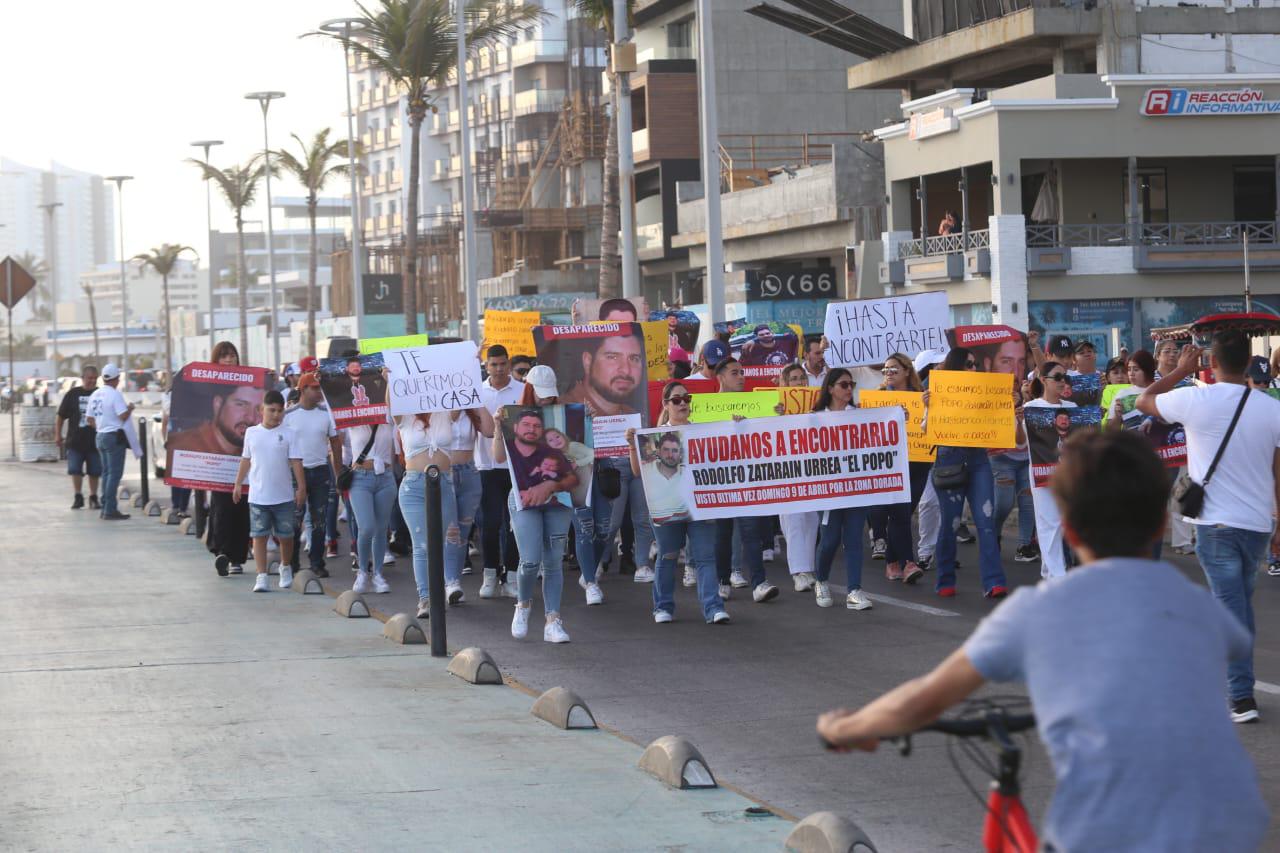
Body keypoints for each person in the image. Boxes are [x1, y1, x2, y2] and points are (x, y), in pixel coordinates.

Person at [816, 430, 1269, 853]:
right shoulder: (1197, 606)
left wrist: (849, 728)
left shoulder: (1039, 612)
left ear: (1068, 530)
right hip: (1233, 825)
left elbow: (920, 701)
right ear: (1159, 527)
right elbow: (1216, 647)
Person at [1137, 331, 1280, 723]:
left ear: (1210, 364)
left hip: (1216, 525)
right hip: (1255, 525)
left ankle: (1240, 696)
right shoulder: (1270, 408)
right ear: (1249, 364)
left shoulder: (1195, 397)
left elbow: (1142, 401)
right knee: (1236, 605)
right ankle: (1239, 687)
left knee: (1231, 608)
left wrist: (1179, 371)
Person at [627, 387, 730, 624]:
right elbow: (636, 472)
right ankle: (662, 607)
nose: (683, 403)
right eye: (677, 400)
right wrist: (633, 446)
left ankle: (713, 608)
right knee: (668, 555)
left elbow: (724, 456)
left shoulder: (702, 431)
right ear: (665, 404)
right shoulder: (653, 436)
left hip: (700, 505)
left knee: (705, 557)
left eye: (687, 398)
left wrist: (738, 426)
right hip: (666, 507)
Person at [925, 348, 1009, 598]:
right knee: (950, 523)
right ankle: (945, 579)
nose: (974, 368)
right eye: (969, 364)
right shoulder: (938, 390)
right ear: (956, 366)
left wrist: (1007, 402)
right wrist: (929, 407)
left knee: (985, 521)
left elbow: (997, 422)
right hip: (949, 459)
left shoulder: (984, 390)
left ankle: (994, 582)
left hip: (979, 459)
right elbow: (924, 428)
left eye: (975, 364)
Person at [493, 409, 577, 643]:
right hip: (523, 501)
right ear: (518, 427)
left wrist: (588, 418)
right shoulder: (514, 445)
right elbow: (499, 457)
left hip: (559, 502)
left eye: (536, 426)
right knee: (530, 560)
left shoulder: (553, 446)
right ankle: (523, 604)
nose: (531, 429)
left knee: (553, 562)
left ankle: (553, 620)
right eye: (526, 425)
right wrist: (499, 426)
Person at [805, 368, 874, 610]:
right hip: (828, 491)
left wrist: (899, 417)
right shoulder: (814, 417)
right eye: (844, 385)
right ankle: (821, 580)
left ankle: (854, 590)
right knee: (830, 539)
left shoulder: (859, 415)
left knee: (854, 538)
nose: (848, 389)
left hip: (855, 487)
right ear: (831, 388)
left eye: (851, 385)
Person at [232, 390, 306, 592]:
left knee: (286, 536)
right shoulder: (252, 433)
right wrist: (238, 483)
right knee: (259, 536)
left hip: (283, 497)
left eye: (280, 411)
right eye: (271, 410)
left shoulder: (290, 433)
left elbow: (296, 461)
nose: (276, 415)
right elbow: (246, 459)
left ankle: (285, 566)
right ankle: (261, 576)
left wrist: (301, 487)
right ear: (261, 409)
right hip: (258, 496)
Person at [870, 353, 928, 584]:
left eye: (893, 369)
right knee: (901, 512)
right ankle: (908, 563)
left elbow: (929, 427)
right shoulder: (879, 398)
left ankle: (892, 562)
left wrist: (925, 409)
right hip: (891, 465)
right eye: (885, 370)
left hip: (919, 462)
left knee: (902, 513)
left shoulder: (920, 396)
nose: (889, 374)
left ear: (907, 371)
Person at [476, 345, 525, 599]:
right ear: (486, 366)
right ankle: (490, 574)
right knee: (490, 523)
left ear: (508, 364)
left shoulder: (521, 389)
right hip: (487, 465)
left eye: (502, 364)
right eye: (493, 364)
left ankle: (512, 576)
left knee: (515, 524)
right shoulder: (478, 391)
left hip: (516, 466)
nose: (498, 368)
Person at [200, 342, 254, 576]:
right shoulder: (208, 385)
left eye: (232, 355)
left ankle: (238, 558)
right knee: (221, 503)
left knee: (242, 504)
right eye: (224, 356)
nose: (229, 360)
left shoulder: (249, 380)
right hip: (218, 455)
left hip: (244, 452)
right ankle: (222, 551)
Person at [284, 374, 342, 579]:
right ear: (303, 389)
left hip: (320, 471)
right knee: (294, 520)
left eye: (320, 388)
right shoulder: (289, 415)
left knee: (320, 521)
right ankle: (291, 563)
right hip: (295, 473)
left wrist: (338, 473)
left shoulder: (326, 413)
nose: (319, 392)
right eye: (314, 388)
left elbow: (335, 443)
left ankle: (317, 562)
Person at [1024, 360, 1077, 580]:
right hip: (1042, 471)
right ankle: (1057, 576)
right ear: (1044, 380)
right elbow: (1021, 442)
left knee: (1063, 523)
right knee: (1050, 523)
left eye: (1065, 377)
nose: (1062, 381)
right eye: (1057, 377)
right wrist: (1018, 422)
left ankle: (1049, 571)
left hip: (1069, 474)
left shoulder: (1073, 409)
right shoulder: (1030, 408)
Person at [85, 363, 134, 521]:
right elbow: (123, 416)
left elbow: (89, 419)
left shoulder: (95, 394)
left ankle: (105, 505)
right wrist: (130, 408)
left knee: (106, 473)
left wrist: (100, 425)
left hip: (99, 436)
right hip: (113, 436)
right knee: (114, 474)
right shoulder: (115, 394)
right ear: (116, 379)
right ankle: (110, 509)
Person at [559, 331, 644, 416]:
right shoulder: (563, 414)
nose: (626, 370)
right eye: (612, 357)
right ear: (587, 361)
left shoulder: (633, 415)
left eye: (634, 359)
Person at [56, 364, 101, 510]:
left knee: (94, 471)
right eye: (89, 378)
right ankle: (78, 496)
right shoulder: (72, 394)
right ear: (83, 378)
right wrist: (58, 435)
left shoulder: (101, 394)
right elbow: (61, 416)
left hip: (95, 441)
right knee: (75, 470)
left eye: (95, 378)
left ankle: (93, 497)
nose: (92, 381)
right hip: (75, 441)